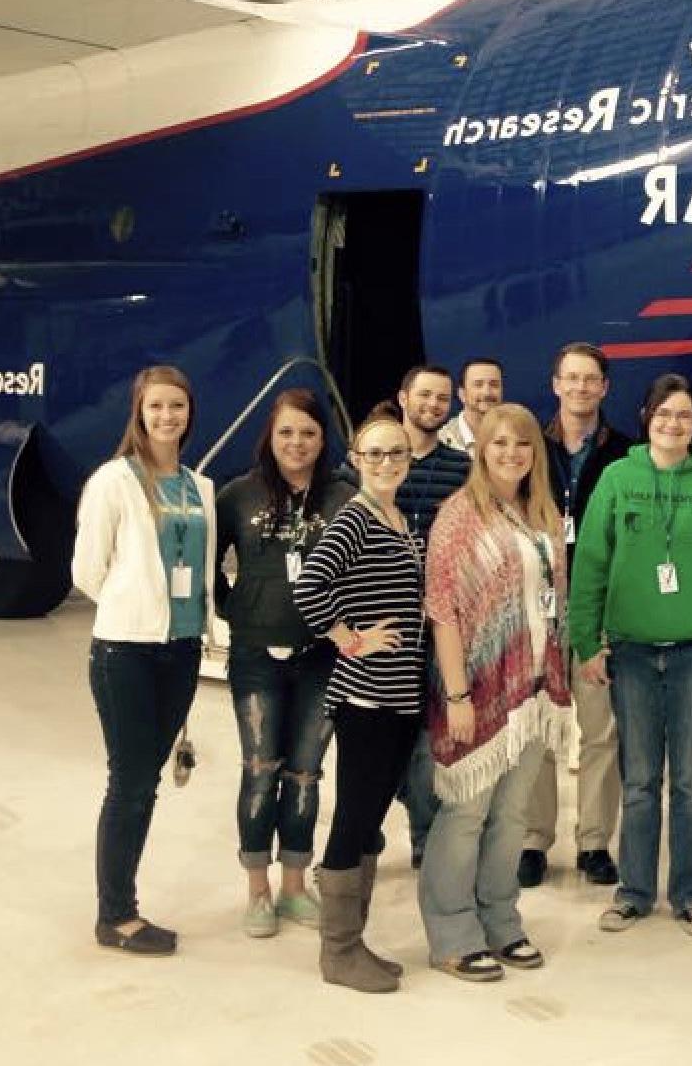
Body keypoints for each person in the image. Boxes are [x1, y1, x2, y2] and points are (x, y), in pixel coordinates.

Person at [570, 374, 692, 936]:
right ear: (647, 416)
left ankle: (691, 894)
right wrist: (586, 640)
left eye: (684, 416)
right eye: (663, 414)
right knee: (640, 780)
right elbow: (592, 565)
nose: (673, 424)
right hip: (629, 652)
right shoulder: (618, 478)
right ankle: (633, 891)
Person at [419, 404, 574, 982]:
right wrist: (458, 696)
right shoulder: (458, 516)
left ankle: (501, 919)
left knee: (510, 816)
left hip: (533, 691)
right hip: (477, 691)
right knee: (466, 814)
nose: (512, 454)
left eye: (523, 444)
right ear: (480, 449)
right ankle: (452, 933)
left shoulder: (541, 514)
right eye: (499, 444)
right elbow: (443, 613)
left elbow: (550, 605)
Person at [71, 365, 218, 956]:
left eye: (177, 407)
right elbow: (86, 570)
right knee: (129, 781)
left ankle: (121, 907)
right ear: (139, 412)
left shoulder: (199, 486)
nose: (167, 417)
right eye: (156, 407)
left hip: (181, 652)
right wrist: (132, 606)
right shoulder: (113, 481)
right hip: (125, 652)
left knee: (146, 783)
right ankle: (116, 916)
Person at [293, 416, 426, 994]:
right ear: (356, 458)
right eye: (374, 454)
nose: (386, 462)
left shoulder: (399, 518)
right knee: (353, 818)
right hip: (366, 697)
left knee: (370, 819)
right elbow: (308, 586)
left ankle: (356, 941)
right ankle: (338, 950)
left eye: (395, 452)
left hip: (400, 695)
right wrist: (350, 637)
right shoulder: (353, 519)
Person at [214, 389, 352, 938]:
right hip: (254, 658)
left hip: (322, 659)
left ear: (324, 441)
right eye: (286, 433)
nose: (297, 444)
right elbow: (207, 568)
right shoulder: (237, 496)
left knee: (304, 773)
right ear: (270, 439)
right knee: (259, 770)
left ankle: (295, 885)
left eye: (309, 434)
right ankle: (258, 892)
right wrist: (238, 609)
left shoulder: (345, 497)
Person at [521, 342, 632, 888]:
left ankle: (593, 842)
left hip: (599, 608)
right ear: (556, 384)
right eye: (572, 379)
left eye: (591, 380)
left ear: (605, 388)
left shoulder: (625, 455)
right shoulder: (529, 452)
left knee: (600, 729)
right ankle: (532, 841)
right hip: (538, 605)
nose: (581, 388)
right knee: (539, 726)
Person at [392, 367, 473, 869]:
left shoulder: (461, 469)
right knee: (385, 736)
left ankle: (426, 837)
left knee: (429, 741)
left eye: (442, 398)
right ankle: (366, 832)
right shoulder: (373, 460)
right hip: (387, 626)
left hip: (440, 626)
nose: (433, 404)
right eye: (424, 394)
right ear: (403, 397)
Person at [438, 357, 505, 453]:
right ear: (462, 394)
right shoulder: (441, 440)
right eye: (478, 384)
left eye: (494, 385)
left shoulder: (519, 436)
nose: (487, 392)